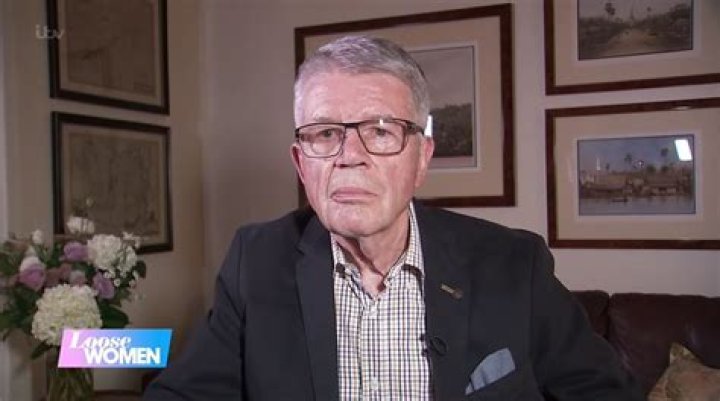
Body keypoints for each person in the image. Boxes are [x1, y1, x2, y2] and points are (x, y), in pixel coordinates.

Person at [144, 36, 642, 400]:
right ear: (300, 163)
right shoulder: (256, 261)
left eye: (381, 132)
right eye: (324, 133)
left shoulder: (513, 263)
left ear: (421, 159)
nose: (349, 156)